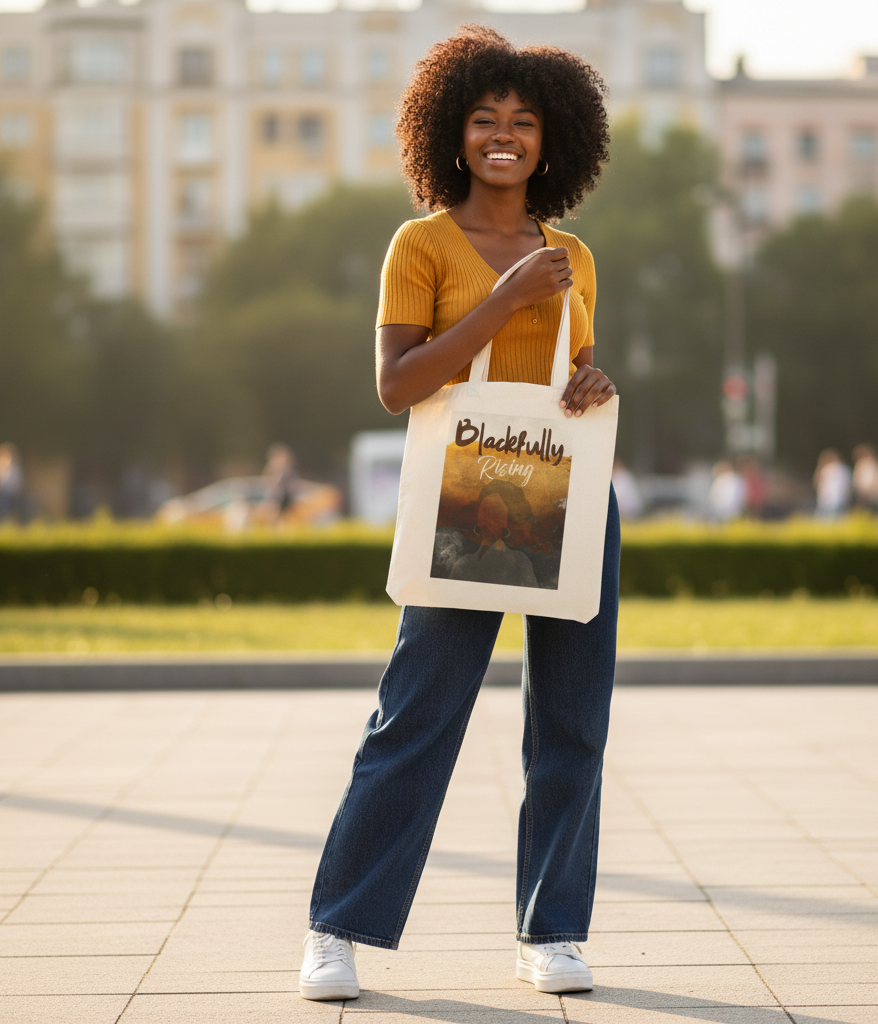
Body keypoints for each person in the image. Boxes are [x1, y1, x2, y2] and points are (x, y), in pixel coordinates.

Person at [301, 26, 617, 1001]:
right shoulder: (422, 244)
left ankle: (552, 930)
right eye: (484, 120)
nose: (504, 137)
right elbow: (397, 385)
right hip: (464, 496)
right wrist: (501, 300)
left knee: (571, 723)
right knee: (416, 714)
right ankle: (337, 927)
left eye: (523, 122)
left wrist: (589, 384)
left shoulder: (573, 256)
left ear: (551, 141)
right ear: (452, 135)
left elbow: (558, 377)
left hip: (565, 497)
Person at [0, 443, 24, 522]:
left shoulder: (15, 469)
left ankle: (4, 519)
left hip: (12, 495)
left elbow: (18, 484)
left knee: (5, 500)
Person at [813, 449, 850, 519]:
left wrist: (820, 466)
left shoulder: (827, 469)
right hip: (841, 499)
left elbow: (816, 481)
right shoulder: (845, 469)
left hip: (827, 499)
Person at [851, 444, 878, 512]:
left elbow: (876, 479)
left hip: (870, 492)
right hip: (864, 492)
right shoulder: (861, 464)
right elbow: (857, 480)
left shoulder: (874, 464)